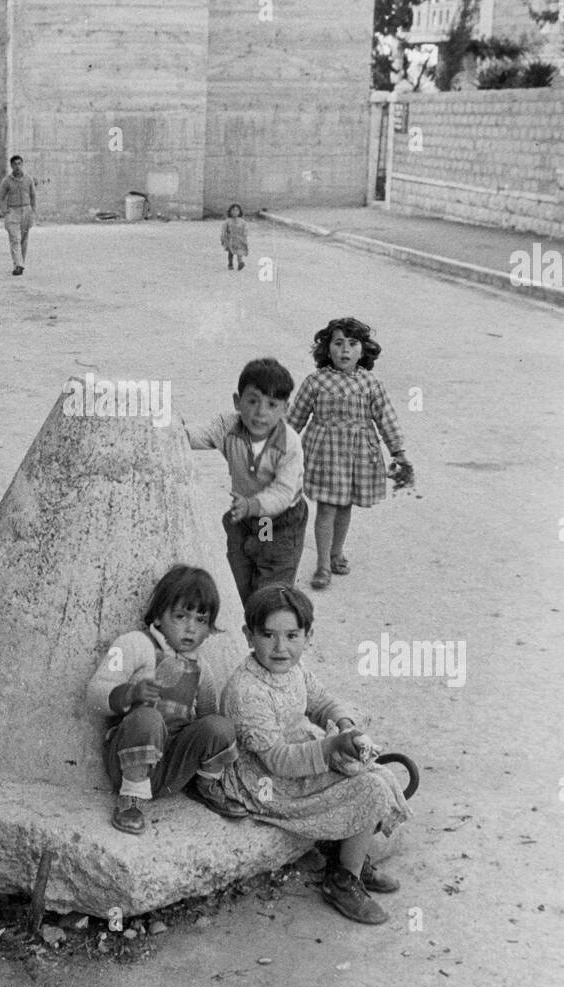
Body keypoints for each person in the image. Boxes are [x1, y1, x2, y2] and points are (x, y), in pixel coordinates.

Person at [216, 584, 410, 925]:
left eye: (292, 635)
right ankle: (342, 879)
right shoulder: (247, 691)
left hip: (297, 759)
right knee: (368, 788)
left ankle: (350, 853)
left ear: (308, 636)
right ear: (249, 636)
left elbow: (321, 702)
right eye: (268, 635)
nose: (280, 647)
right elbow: (276, 759)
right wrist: (331, 747)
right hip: (265, 781)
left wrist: (347, 728)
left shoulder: (295, 670)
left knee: (379, 773)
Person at [86, 565, 246, 835]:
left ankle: (205, 786)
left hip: (172, 769)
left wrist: (208, 744)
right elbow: (95, 693)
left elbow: (208, 720)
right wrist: (130, 693)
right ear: (159, 617)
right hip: (129, 760)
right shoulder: (134, 644)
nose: (190, 629)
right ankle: (130, 799)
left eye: (201, 620)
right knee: (148, 717)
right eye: (181, 616)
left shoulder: (202, 668)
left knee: (219, 726)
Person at [286, 316, 413, 591]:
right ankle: (321, 564)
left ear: (363, 350)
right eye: (338, 343)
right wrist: (279, 446)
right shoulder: (316, 381)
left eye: (352, 344)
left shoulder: (370, 383)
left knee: (344, 505)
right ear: (326, 349)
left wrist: (398, 451)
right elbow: (295, 418)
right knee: (327, 506)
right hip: (324, 454)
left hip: (357, 455)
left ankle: (336, 553)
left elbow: (386, 417)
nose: (345, 350)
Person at [184, 359, 307, 603]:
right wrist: (169, 429)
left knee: (272, 580)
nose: (261, 412)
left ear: (285, 409)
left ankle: (264, 623)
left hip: (277, 521)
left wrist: (251, 505)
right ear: (237, 402)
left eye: (272, 404)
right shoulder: (227, 427)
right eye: (252, 401)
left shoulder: (288, 444)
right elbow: (194, 436)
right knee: (240, 574)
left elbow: (283, 493)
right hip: (244, 518)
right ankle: (248, 618)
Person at [0, 154, 36, 276]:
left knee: (23, 240)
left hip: (26, 210)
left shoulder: (28, 179)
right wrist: (4, 211)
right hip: (13, 212)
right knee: (15, 239)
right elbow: (0, 198)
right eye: (15, 164)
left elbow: (33, 195)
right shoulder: (6, 181)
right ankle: (18, 265)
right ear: (11, 166)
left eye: (19, 163)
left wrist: (33, 211)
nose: (17, 166)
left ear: (22, 164)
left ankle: (20, 263)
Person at [220, 203, 248, 271]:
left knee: (239, 252)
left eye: (237, 210)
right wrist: (223, 237)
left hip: (239, 239)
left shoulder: (242, 221)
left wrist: (244, 235)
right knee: (231, 252)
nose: (235, 212)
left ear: (239, 212)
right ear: (230, 211)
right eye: (233, 210)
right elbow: (223, 229)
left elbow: (245, 229)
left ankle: (240, 263)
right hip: (230, 239)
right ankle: (230, 264)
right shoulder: (228, 221)